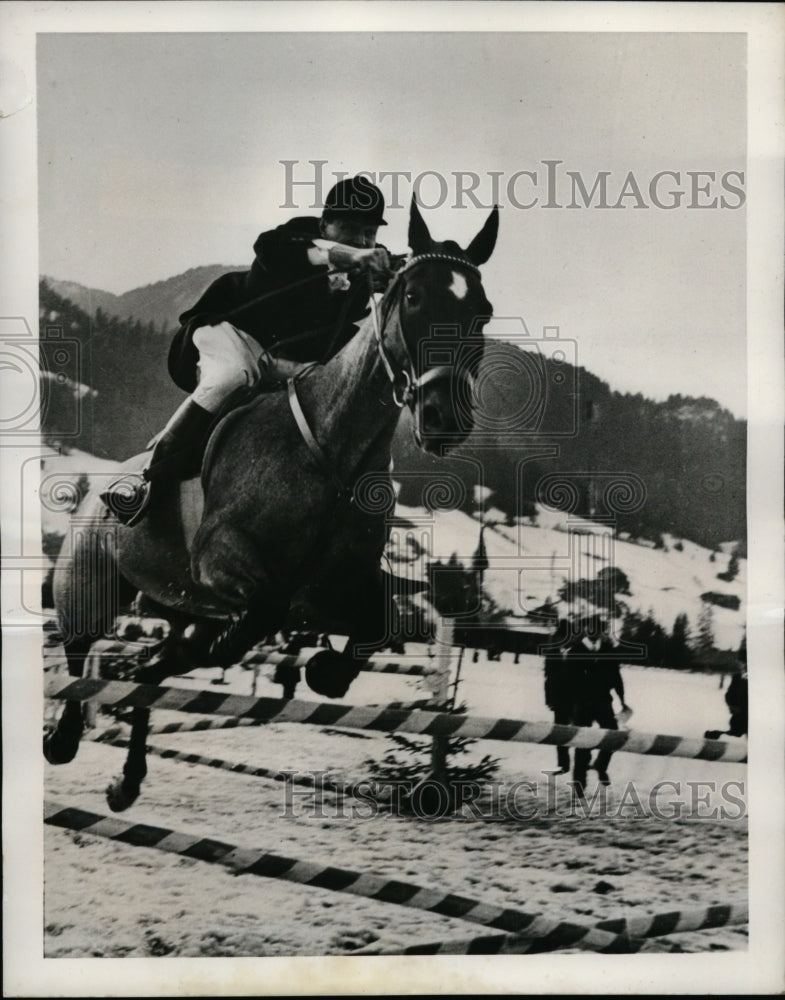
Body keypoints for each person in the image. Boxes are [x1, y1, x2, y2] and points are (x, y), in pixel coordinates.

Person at [101, 175, 394, 525]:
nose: (361, 239)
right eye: (349, 227)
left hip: (281, 362)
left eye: (369, 233)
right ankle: (144, 481)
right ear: (325, 224)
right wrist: (360, 255)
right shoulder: (284, 241)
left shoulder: (360, 280)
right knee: (231, 377)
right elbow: (321, 252)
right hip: (228, 333)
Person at [570, 616, 631, 792]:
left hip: (603, 702)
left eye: (597, 628)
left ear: (601, 631)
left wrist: (622, 700)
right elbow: (568, 680)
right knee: (583, 743)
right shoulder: (576, 650)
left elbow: (616, 676)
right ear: (586, 629)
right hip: (582, 704)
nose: (593, 631)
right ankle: (579, 784)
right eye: (590, 628)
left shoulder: (608, 650)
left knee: (612, 736)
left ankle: (601, 765)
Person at [543, 618, 575, 774]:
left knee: (562, 730)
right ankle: (568, 763)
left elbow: (548, 675)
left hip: (562, 696)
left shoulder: (555, 646)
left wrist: (549, 698)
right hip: (571, 696)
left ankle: (564, 764)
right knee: (568, 729)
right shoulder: (572, 647)